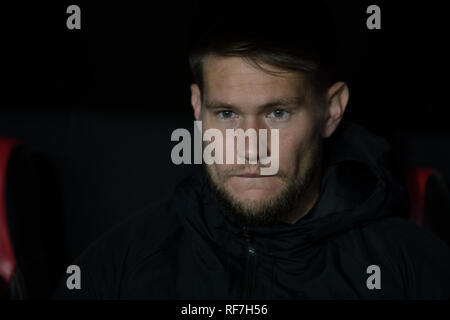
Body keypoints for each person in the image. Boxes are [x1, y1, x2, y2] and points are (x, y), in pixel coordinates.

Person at [54, 2, 450, 299]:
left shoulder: (409, 267)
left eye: (277, 113)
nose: (249, 147)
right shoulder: (127, 260)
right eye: (226, 114)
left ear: (331, 111)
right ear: (197, 108)